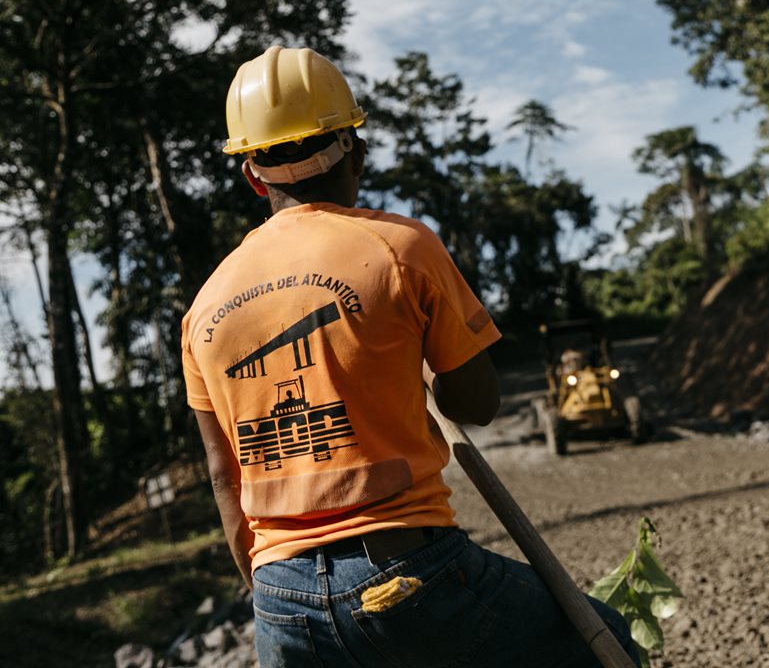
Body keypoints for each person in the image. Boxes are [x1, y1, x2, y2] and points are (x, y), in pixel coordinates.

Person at [182, 45, 638, 667]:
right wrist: (424, 363)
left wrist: (270, 595)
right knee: (608, 638)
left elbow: (222, 476)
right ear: (356, 153)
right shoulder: (399, 248)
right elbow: (477, 403)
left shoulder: (204, 308)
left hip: (279, 595)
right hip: (405, 575)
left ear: (253, 176)